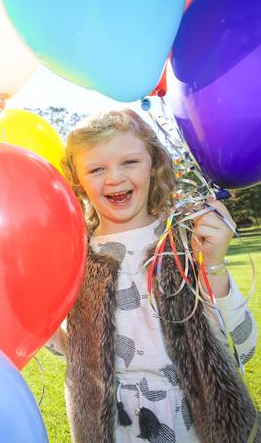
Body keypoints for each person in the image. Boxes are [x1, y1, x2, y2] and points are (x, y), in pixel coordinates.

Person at [48, 109, 258, 442]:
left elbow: (244, 345)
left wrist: (213, 264)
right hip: (115, 427)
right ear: (78, 181)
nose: (114, 178)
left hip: (195, 421)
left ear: (153, 163)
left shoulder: (183, 240)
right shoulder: (74, 254)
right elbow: (71, 349)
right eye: (97, 168)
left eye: (129, 162)